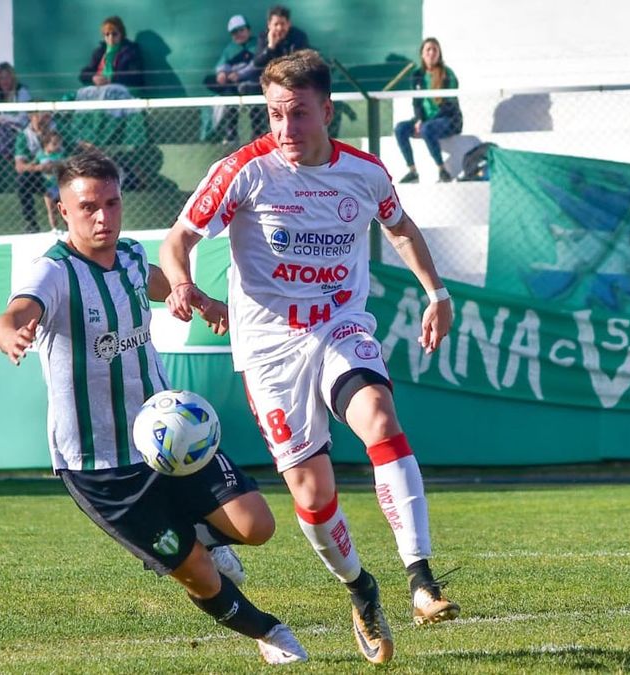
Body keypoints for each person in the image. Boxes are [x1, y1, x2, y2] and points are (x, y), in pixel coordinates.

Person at [160, 50, 460, 665]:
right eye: (275, 115)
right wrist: (184, 283)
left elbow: (399, 226)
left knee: (378, 417)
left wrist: (437, 292)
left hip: (339, 325)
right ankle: (361, 590)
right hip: (269, 351)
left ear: (327, 110)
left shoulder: (365, 173)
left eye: (298, 115)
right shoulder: (243, 170)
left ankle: (421, 578)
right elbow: (178, 239)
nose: (285, 129)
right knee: (312, 493)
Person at [0, 151, 307, 666]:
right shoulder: (53, 273)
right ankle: (269, 632)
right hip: (101, 466)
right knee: (200, 574)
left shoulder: (134, 257)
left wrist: (198, 299)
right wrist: (11, 333)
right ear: (62, 211)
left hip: (171, 436)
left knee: (257, 527)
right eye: (89, 207)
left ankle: (202, 532)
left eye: (112, 203)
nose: (103, 217)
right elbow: (16, 310)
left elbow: (157, 281)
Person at [394, 38, 463, 184]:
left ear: (439, 54)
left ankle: (442, 170)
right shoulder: (417, 75)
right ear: (422, 54)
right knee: (400, 128)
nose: (431, 53)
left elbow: (449, 105)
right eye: (428, 50)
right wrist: (419, 120)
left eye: (435, 50)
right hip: (425, 120)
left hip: (448, 120)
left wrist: (425, 123)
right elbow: (416, 102)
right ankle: (413, 172)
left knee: (427, 129)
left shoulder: (447, 74)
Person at [236, 5, 310, 138]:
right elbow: (258, 63)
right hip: (268, 86)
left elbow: (299, 63)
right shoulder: (264, 38)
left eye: (283, 24)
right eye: (276, 24)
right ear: (269, 24)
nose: (280, 28)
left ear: (289, 24)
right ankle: (258, 135)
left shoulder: (298, 37)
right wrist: (270, 47)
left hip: (292, 86)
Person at [203, 14, 256, 144]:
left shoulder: (258, 45)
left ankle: (257, 135)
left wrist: (239, 75)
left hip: (254, 87)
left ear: (248, 30)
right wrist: (221, 73)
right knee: (224, 96)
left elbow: (257, 65)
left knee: (255, 106)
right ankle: (230, 135)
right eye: (234, 32)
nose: (238, 34)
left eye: (241, 30)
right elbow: (222, 65)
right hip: (234, 88)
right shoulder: (230, 48)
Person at [13, 110, 57, 232]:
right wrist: (39, 167)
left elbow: (72, 149)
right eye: (39, 115)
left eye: (46, 116)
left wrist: (58, 163)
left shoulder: (57, 131)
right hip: (39, 175)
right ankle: (31, 223)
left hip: (60, 171)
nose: (44, 119)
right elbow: (19, 166)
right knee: (22, 181)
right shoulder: (24, 136)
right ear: (31, 116)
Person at [79, 16, 145, 93]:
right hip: (99, 89)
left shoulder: (131, 51)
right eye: (107, 34)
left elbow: (136, 76)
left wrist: (111, 78)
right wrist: (93, 78)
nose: (111, 37)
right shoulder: (100, 52)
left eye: (114, 34)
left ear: (121, 34)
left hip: (120, 91)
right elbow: (84, 74)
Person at [36, 131, 66, 230]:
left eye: (59, 143)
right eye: (54, 144)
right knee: (51, 209)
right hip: (47, 186)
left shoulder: (58, 155)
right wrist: (40, 167)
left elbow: (62, 164)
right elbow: (34, 166)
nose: (57, 146)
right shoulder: (40, 155)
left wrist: (55, 164)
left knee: (63, 208)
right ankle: (54, 229)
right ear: (46, 144)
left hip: (58, 186)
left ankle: (68, 228)